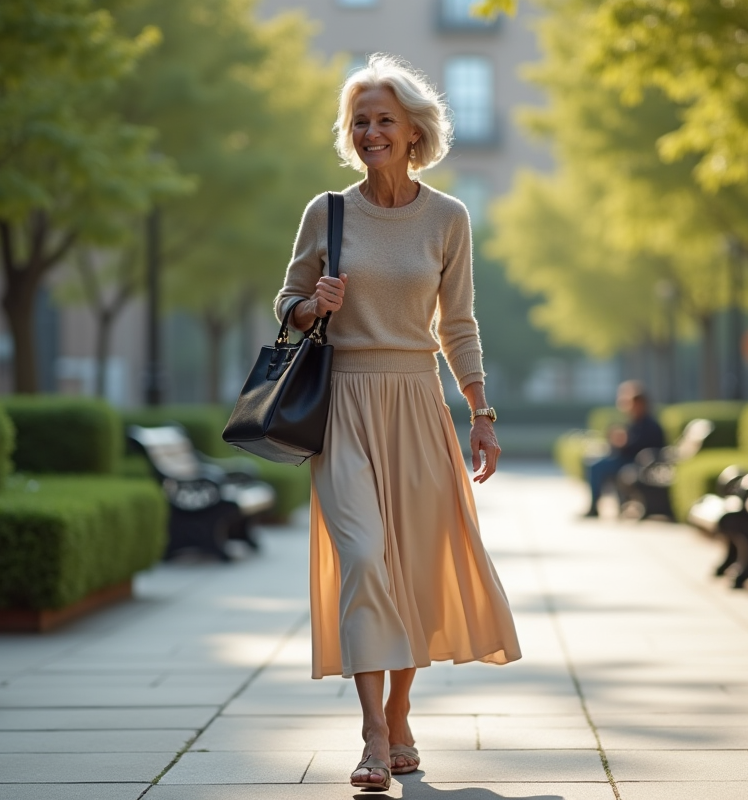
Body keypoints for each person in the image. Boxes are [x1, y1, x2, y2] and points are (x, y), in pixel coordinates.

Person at [274, 53, 522, 793]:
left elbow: (460, 323)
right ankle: (373, 733)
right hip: (344, 403)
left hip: (419, 405)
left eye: (384, 119)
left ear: (415, 130)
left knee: (411, 570)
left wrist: (481, 412)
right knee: (364, 560)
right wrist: (312, 304)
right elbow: (285, 305)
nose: (371, 131)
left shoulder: (449, 217)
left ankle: (404, 710)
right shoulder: (328, 211)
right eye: (361, 121)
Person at [583, 380, 665, 518]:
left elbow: (640, 447)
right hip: (628, 459)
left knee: (597, 467)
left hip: (637, 462)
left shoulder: (649, 425)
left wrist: (623, 442)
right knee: (595, 462)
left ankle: (594, 507)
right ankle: (596, 505)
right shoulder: (635, 422)